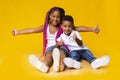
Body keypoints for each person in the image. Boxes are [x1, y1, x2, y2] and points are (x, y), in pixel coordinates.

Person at [12, 7, 100, 73]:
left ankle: (59, 65)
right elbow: (32, 30)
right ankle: (44, 66)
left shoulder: (62, 27)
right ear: (49, 16)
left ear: (61, 19)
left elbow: (77, 28)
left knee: (62, 53)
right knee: (49, 55)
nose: (55, 19)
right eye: (53, 16)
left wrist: (92, 29)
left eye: (58, 17)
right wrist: (18, 32)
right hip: (50, 47)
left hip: (62, 46)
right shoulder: (45, 27)